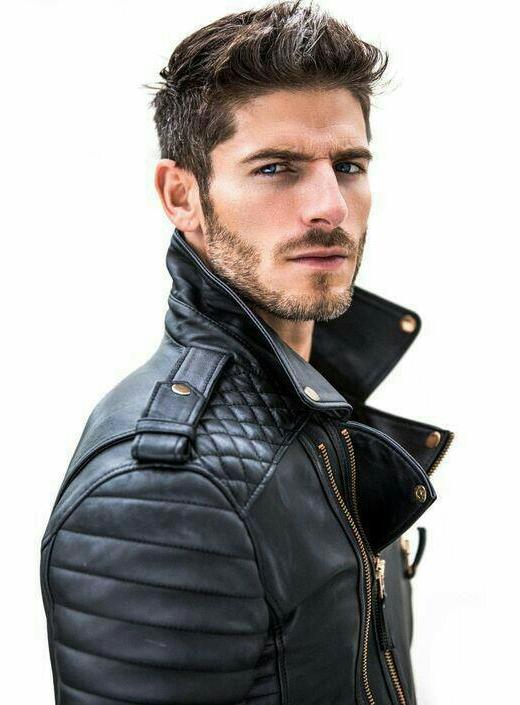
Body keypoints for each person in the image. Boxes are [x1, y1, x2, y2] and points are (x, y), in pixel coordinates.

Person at [40, 2, 454, 703]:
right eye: (276, 168)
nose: (329, 206)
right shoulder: (164, 488)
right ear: (182, 195)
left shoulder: (319, 407)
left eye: (348, 165)